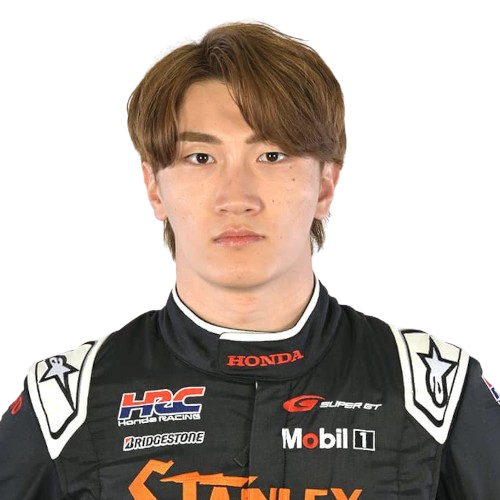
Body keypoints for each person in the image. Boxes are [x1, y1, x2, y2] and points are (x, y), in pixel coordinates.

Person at [0, 18, 498, 500]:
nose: (236, 198)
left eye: (272, 155)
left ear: (325, 184)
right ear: (153, 187)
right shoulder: (67, 401)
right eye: (200, 158)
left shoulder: (436, 391)